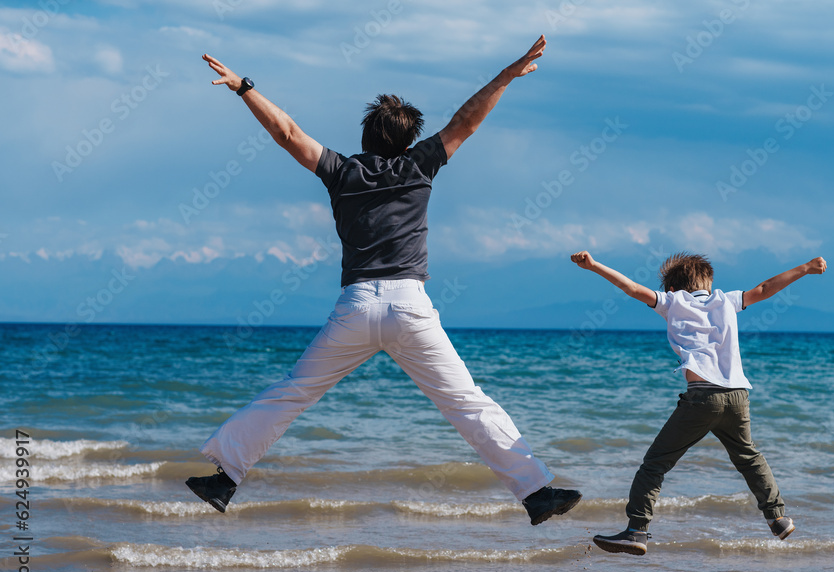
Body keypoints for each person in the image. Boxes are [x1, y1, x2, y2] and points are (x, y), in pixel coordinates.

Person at [185, 36, 581, 526]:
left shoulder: (341, 170)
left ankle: (224, 479)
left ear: (366, 137)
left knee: (294, 392)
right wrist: (506, 75)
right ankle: (536, 494)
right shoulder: (420, 166)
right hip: (410, 306)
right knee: (466, 402)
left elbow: (287, 132)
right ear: (409, 142)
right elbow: (467, 121)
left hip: (356, 307)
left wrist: (244, 87)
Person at [569, 250, 827, 554]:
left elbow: (631, 288)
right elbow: (765, 288)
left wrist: (594, 265)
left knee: (655, 464)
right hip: (737, 396)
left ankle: (637, 531)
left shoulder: (672, 302)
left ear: (672, 288)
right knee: (749, 457)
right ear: (707, 282)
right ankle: (778, 518)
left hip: (702, 398)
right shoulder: (727, 300)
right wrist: (805, 267)